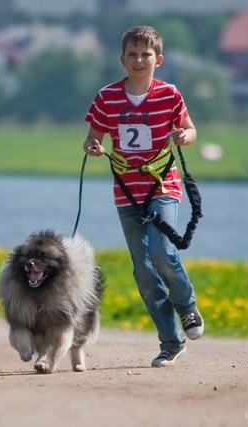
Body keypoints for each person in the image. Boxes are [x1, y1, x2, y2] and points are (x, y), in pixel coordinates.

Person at [82, 25, 204, 367]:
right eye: (132, 55)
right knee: (144, 272)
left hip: (162, 185)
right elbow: (93, 138)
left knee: (163, 254)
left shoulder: (170, 94)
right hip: (126, 192)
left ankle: (187, 306)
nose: (139, 60)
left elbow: (191, 130)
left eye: (145, 55)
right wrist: (93, 147)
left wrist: (184, 136)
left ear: (158, 59)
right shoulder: (107, 97)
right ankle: (170, 342)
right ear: (123, 60)